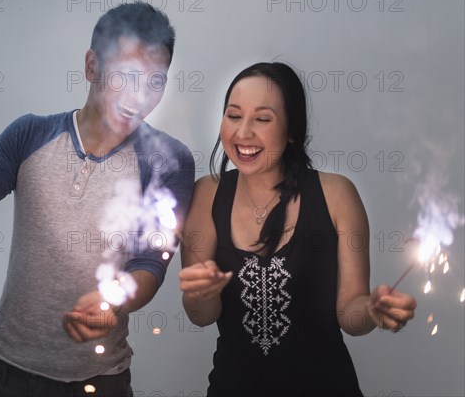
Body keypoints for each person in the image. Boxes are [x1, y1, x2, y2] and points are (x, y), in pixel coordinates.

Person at [0, 2, 195, 397]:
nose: (139, 95)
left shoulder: (168, 160)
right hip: (8, 376)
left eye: (155, 81)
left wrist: (114, 301)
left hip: (101, 381)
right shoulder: (29, 135)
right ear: (91, 66)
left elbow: (150, 263)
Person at [178, 62, 417, 396]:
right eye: (233, 116)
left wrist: (373, 311)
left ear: (291, 130)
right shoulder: (206, 194)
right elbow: (201, 316)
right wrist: (199, 292)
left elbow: (351, 315)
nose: (243, 133)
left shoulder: (336, 194)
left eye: (262, 119)